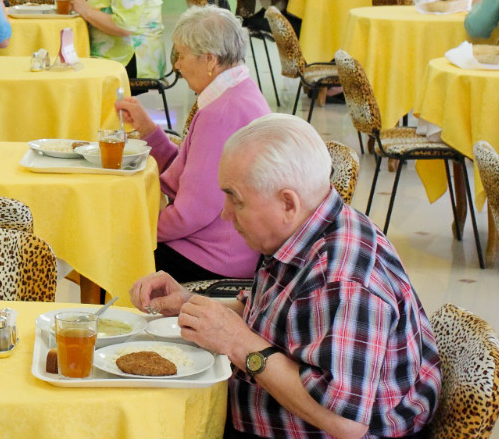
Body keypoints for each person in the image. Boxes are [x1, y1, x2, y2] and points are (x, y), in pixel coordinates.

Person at [131, 114, 440, 439]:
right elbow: (273, 313)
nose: (225, 213)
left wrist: (237, 342)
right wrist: (189, 302)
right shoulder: (302, 228)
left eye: (236, 199)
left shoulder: (346, 278)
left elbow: (345, 423)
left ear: (287, 203)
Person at [116, 6, 269, 282]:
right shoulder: (238, 92)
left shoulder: (220, 114)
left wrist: (136, 231)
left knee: (113, 253)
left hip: (214, 259)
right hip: (226, 249)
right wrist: (149, 129)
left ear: (210, 60)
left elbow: (190, 214)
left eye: (182, 55)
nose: (177, 65)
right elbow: (193, 175)